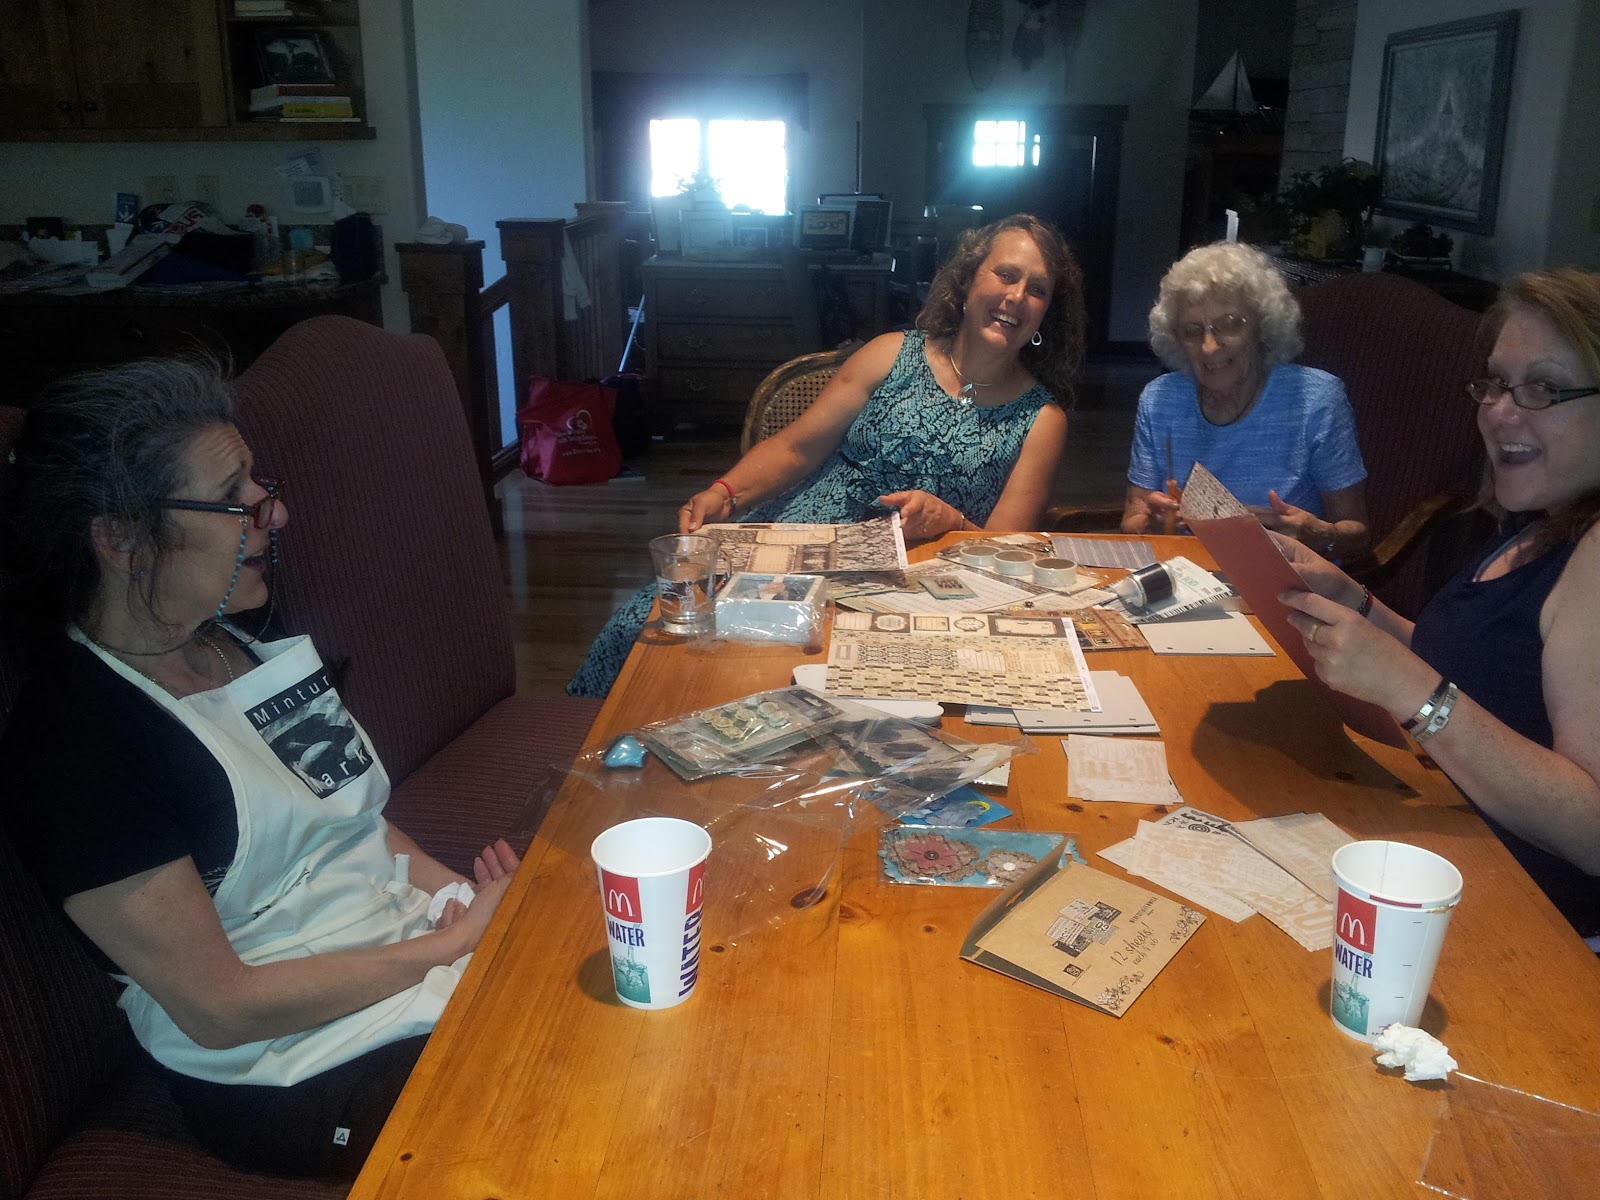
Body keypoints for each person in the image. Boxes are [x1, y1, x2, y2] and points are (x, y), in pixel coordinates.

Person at [0, 358, 520, 1179]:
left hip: (405, 954)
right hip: (294, 1065)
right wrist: (454, 943)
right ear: (120, 538)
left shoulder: (237, 637)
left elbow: (355, 821)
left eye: (258, 485)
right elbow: (220, 1007)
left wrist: (471, 902)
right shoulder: (74, 745)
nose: (275, 512)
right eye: (232, 497)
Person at [568, 212, 1084, 698]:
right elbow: (796, 447)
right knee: (646, 627)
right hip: (797, 545)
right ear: (969, 281)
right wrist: (724, 492)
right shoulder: (891, 352)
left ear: (1046, 313)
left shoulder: (1041, 419)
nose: (1016, 297)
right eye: (1006, 275)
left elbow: (1006, 555)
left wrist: (952, 522)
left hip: (911, 590)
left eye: (1037, 289)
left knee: (801, 685)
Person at [1277, 267, 1600, 943]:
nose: (1500, 411)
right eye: (1496, 383)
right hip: (1445, 856)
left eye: (1544, 388)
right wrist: (1356, 602)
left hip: (1531, 936)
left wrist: (1412, 692)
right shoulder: (1540, 523)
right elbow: (1482, 674)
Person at [1122, 241, 1370, 558]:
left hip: (1285, 577)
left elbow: (1358, 535)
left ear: (1262, 327)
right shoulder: (1160, 400)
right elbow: (1132, 522)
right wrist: (1154, 525)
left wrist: (1317, 535)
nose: (1209, 346)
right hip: (1184, 577)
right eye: (1192, 330)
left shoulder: (1316, 400)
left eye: (1229, 324)